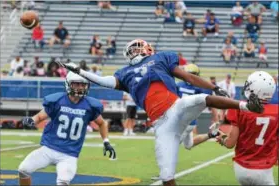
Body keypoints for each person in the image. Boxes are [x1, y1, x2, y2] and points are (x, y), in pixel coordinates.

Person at [60, 39, 263, 186]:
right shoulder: (125, 74)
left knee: (201, 98)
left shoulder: (159, 59)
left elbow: (188, 77)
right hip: (161, 125)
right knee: (167, 175)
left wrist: (213, 87)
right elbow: (105, 82)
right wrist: (80, 71)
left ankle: (246, 106)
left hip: (176, 108)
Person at [18, 71, 116, 186]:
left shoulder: (90, 106)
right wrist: (31, 120)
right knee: (23, 170)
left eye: (83, 84)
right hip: (49, 148)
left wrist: (106, 142)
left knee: (63, 182)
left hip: (69, 154)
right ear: (68, 84)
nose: (80, 87)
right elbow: (40, 116)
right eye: (76, 84)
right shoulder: (58, 101)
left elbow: (102, 123)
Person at [216, 71, 277, 186]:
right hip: (264, 170)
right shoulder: (276, 111)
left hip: (241, 169)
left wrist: (221, 137)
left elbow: (230, 143)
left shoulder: (239, 108)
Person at [176, 64, 212, 134]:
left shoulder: (179, 85)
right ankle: (210, 135)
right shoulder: (200, 87)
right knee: (189, 143)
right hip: (187, 117)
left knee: (174, 141)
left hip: (184, 118)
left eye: (192, 74)